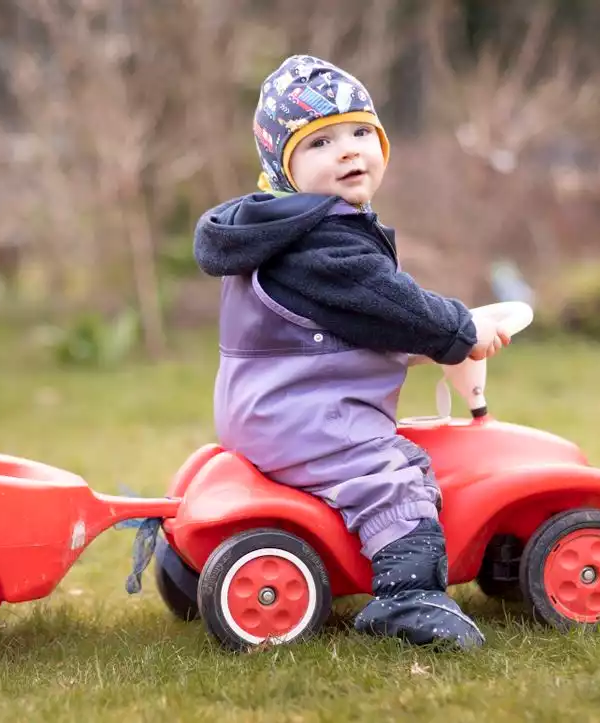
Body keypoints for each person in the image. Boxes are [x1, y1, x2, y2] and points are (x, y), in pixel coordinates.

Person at [192, 54, 509, 650]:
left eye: (362, 133)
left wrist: (427, 344)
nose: (348, 151)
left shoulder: (279, 228)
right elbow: (389, 302)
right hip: (305, 412)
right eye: (320, 143)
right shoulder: (318, 242)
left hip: (271, 402)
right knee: (391, 474)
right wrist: (458, 329)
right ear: (283, 166)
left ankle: (191, 572)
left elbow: (354, 321)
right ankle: (407, 596)